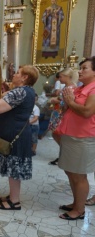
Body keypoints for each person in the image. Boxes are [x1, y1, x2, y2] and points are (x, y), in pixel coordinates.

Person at [0, 65, 39, 210]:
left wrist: (5, 96)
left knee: (14, 169)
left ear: (24, 77)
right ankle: (13, 196)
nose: (14, 74)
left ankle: (14, 201)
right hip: (18, 133)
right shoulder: (29, 91)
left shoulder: (20, 91)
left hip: (15, 135)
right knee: (14, 168)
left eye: (18, 73)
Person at [56, 57, 95, 220]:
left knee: (79, 175)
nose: (80, 71)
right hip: (71, 135)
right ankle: (76, 202)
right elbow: (70, 108)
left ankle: (79, 211)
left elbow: (86, 112)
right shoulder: (81, 88)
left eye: (84, 68)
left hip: (82, 138)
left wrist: (70, 102)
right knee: (71, 171)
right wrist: (67, 101)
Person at [48, 68, 78, 165]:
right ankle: (63, 154)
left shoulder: (70, 88)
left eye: (61, 76)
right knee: (56, 134)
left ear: (67, 77)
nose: (59, 78)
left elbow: (68, 102)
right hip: (58, 112)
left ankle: (65, 154)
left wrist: (56, 101)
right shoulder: (67, 87)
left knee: (58, 134)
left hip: (62, 113)